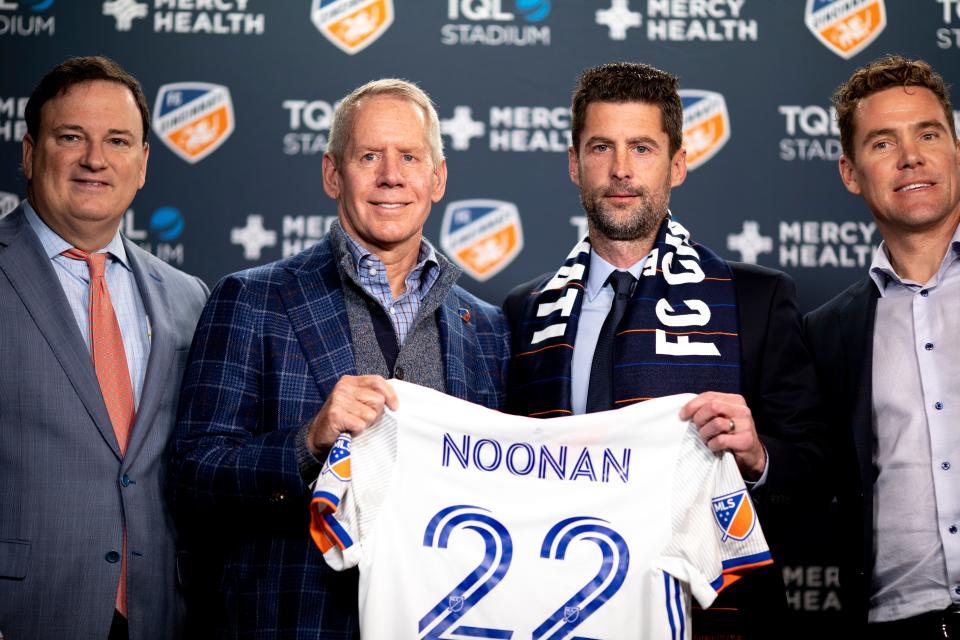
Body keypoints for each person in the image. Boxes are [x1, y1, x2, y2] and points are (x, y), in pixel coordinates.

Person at [170, 78, 510, 638]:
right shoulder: (251, 299)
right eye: (369, 156)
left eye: (409, 157)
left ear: (437, 178)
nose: (391, 176)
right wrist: (309, 442)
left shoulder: (488, 329)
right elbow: (191, 478)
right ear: (333, 173)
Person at [503, 62, 827, 637]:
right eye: (601, 147)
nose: (622, 170)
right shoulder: (524, 312)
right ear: (575, 164)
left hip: (711, 618)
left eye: (643, 148)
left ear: (678, 163)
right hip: (555, 612)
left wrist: (757, 457)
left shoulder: (753, 300)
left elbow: (819, 479)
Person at [0, 56, 208, 640]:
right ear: (29, 152)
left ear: (142, 164)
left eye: (118, 141)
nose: (95, 159)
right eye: (71, 138)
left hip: (158, 616)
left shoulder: (187, 297)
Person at [804, 55, 960, 638]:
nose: (911, 156)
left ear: (954, 148)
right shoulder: (826, 333)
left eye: (928, 133)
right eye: (882, 143)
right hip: (898, 623)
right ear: (850, 172)